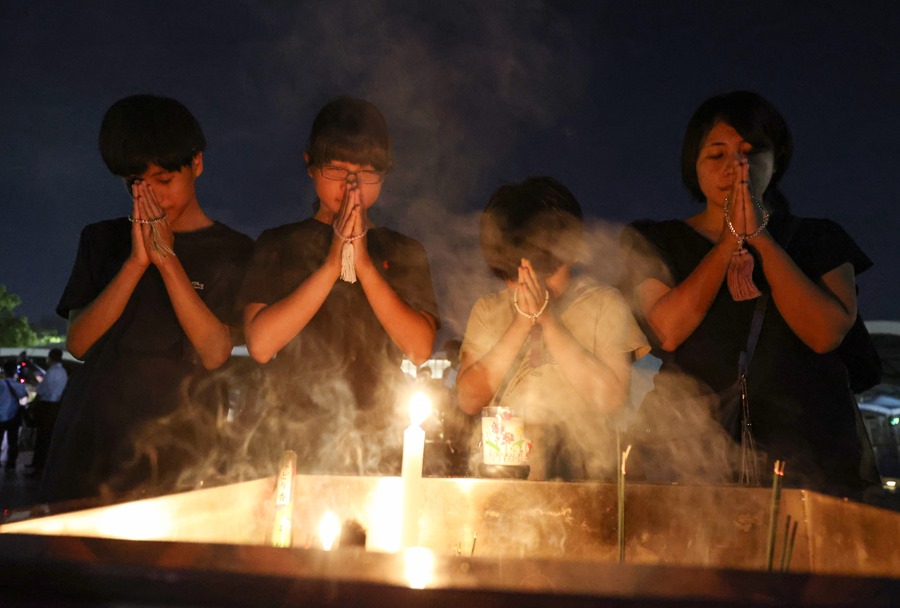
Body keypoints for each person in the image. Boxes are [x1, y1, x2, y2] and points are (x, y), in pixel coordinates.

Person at [622, 90, 879, 497]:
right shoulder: (655, 240)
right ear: (695, 164)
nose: (734, 167)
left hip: (809, 454)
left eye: (750, 152)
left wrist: (760, 239)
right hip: (692, 453)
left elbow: (826, 332)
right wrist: (728, 243)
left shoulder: (820, 238)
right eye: (717, 154)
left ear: (775, 162)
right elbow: (667, 330)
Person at [42, 95, 253, 504]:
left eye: (164, 180)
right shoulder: (101, 239)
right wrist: (137, 263)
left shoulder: (234, 250)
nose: (152, 196)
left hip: (183, 443)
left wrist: (167, 260)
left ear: (196, 163)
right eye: (136, 184)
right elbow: (78, 342)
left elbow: (214, 352)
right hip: (94, 437)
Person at [240, 96, 439, 475]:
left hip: (379, 438)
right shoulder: (278, 243)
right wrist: (333, 263)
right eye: (336, 170)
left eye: (365, 174)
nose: (351, 187)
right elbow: (262, 345)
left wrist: (362, 262)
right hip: (292, 434)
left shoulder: (403, 250)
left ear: (384, 174)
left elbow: (418, 348)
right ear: (309, 166)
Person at [457, 176, 649, 480]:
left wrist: (547, 321)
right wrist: (522, 321)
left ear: (571, 251)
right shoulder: (489, 310)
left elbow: (611, 398)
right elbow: (468, 398)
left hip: (584, 474)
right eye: (516, 274)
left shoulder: (603, 304)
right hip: (506, 477)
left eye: (544, 270)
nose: (531, 286)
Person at [26, 348, 68, 477]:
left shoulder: (51, 372)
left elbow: (42, 390)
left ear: (51, 357)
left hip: (47, 407)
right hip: (56, 407)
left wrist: (32, 404)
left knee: (42, 437)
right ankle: (39, 464)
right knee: (47, 436)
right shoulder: (63, 372)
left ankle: (39, 467)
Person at [1, 361, 29, 472]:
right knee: (13, 441)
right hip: (13, 416)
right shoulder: (19, 386)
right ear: (15, 372)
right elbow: (24, 400)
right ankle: (11, 463)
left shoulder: (1, 384)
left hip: (0, 416)